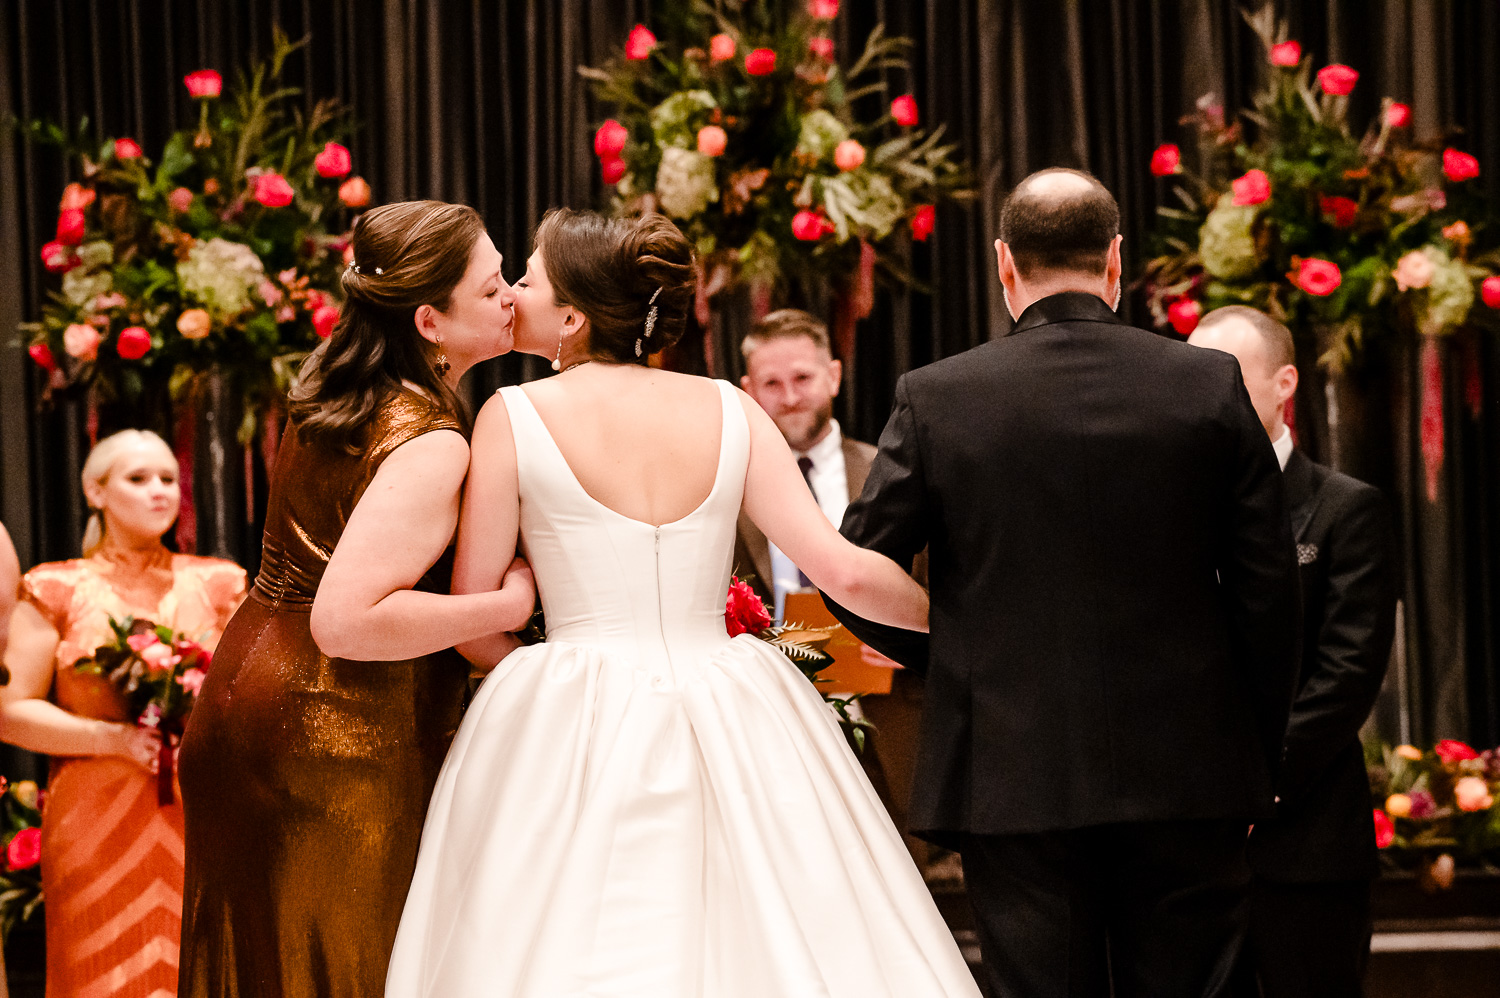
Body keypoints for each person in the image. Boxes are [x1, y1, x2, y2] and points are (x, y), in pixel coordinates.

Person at [384, 208, 981, 998]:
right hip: (737, 695)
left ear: (572, 315)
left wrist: (548, 675)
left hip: (568, 705)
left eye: (525, 279)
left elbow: (475, 614)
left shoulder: (512, 416)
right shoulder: (731, 408)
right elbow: (844, 570)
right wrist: (966, 628)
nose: (509, 295)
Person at [826, 168, 1302, 998]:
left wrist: (959, 654)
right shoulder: (1207, 383)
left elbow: (853, 574)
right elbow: (1268, 588)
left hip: (1012, 773)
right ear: (1118, 258)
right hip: (1189, 773)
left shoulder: (938, 397)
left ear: (1004, 263)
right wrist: (1256, 757)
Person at [176, 201, 536, 998]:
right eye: (490, 288)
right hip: (328, 733)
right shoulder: (430, 440)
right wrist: (504, 610)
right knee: (339, 966)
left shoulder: (338, 394)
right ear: (430, 321)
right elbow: (349, 620)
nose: (512, 293)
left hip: (242, 697)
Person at [1189, 306, 1398, 998]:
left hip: (1306, 845)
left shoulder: (1345, 510)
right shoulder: (1164, 510)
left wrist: (1255, 784)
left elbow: (1347, 673)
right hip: (1186, 853)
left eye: (1227, 378)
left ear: (1284, 383)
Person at [1, 431, 246, 998]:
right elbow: (11, 712)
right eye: (138, 479)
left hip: (200, 808)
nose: (160, 492)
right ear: (95, 490)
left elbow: (249, 696)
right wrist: (113, 740)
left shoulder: (219, 583)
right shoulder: (54, 587)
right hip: (94, 812)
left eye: (167, 479)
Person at [734, 308, 928, 863]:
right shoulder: (727, 489)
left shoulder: (895, 474)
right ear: (748, 390)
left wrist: (912, 644)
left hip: (892, 729)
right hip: (769, 734)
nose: (789, 397)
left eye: (802, 378)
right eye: (771, 383)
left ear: (836, 376)